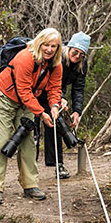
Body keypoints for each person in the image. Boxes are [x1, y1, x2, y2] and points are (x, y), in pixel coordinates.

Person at [0, 28, 63, 204]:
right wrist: (41, 113)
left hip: (28, 101)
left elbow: (54, 88)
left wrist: (54, 106)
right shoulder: (25, 58)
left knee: (28, 142)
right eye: (46, 45)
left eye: (53, 46)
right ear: (39, 43)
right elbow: (23, 90)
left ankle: (30, 185)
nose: (49, 49)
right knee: (2, 140)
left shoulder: (56, 64)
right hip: (3, 97)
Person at [37, 31, 90, 179]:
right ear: (69, 48)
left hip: (55, 95)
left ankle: (57, 164)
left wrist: (77, 111)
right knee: (33, 128)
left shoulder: (81, 64)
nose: (77, 56)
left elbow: (78, 88)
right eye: (75, 51)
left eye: (81, 54)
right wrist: (60, 97)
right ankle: (30, 168)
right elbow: (51, 81)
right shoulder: (58, 57)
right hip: (39, 92)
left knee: (55, 124)